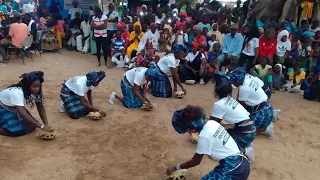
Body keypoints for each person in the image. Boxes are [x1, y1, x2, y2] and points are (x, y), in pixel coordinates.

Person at [167, 105, 250, 179]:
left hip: (234, 171)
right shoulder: (212, 123)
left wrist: (176, 167)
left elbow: (195, 162)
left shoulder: (204, 135)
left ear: (191, 128)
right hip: (242, 163)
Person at [210, 73, 256, 162]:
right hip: (249, 128)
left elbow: (212, 124)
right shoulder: (231, 99)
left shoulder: (219, 104)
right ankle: (246, 144)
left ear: (217, 91)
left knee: (223, 146)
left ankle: (246, 150)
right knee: (223, 135)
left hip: (245, 132)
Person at [0, 71, 54, 136]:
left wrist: (46, 124)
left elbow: (40, 107)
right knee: (14, 131)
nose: (37, 89)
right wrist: (42, 127)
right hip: (2, 107)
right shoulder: (17, 93)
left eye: (38, 87)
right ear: (27, 86)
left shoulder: (36, 93)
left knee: (32, 126)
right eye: (34, 87)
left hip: (13, 107)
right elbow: (23, 114)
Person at [228, 67, 275, 140]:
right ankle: (273, 114)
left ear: (238, 80)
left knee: (246, 130)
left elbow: (239, 106)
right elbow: (239, 97)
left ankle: (267, 128)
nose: (233, 83)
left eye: (234, 81)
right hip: (263, 106)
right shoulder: (247, 79)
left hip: (262, 111)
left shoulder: (245, 88)